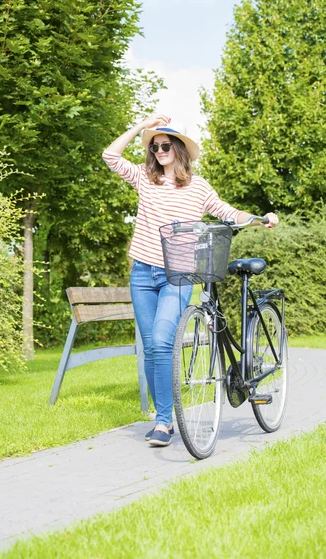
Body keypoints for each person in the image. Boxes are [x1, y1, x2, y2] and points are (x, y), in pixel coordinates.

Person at [103, 115, 278, 447]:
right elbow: (110, 156)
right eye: (154, 147)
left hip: (178, 274)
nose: (159, 150)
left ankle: (165, 423)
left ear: (179, 149)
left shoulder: (198, 187)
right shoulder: (143, 177)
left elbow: (228, 212)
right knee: (152, 349)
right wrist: (142, 126)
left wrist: (260, 219)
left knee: (161, 340)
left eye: (165, 145)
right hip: (141, 272)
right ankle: (163, 419)